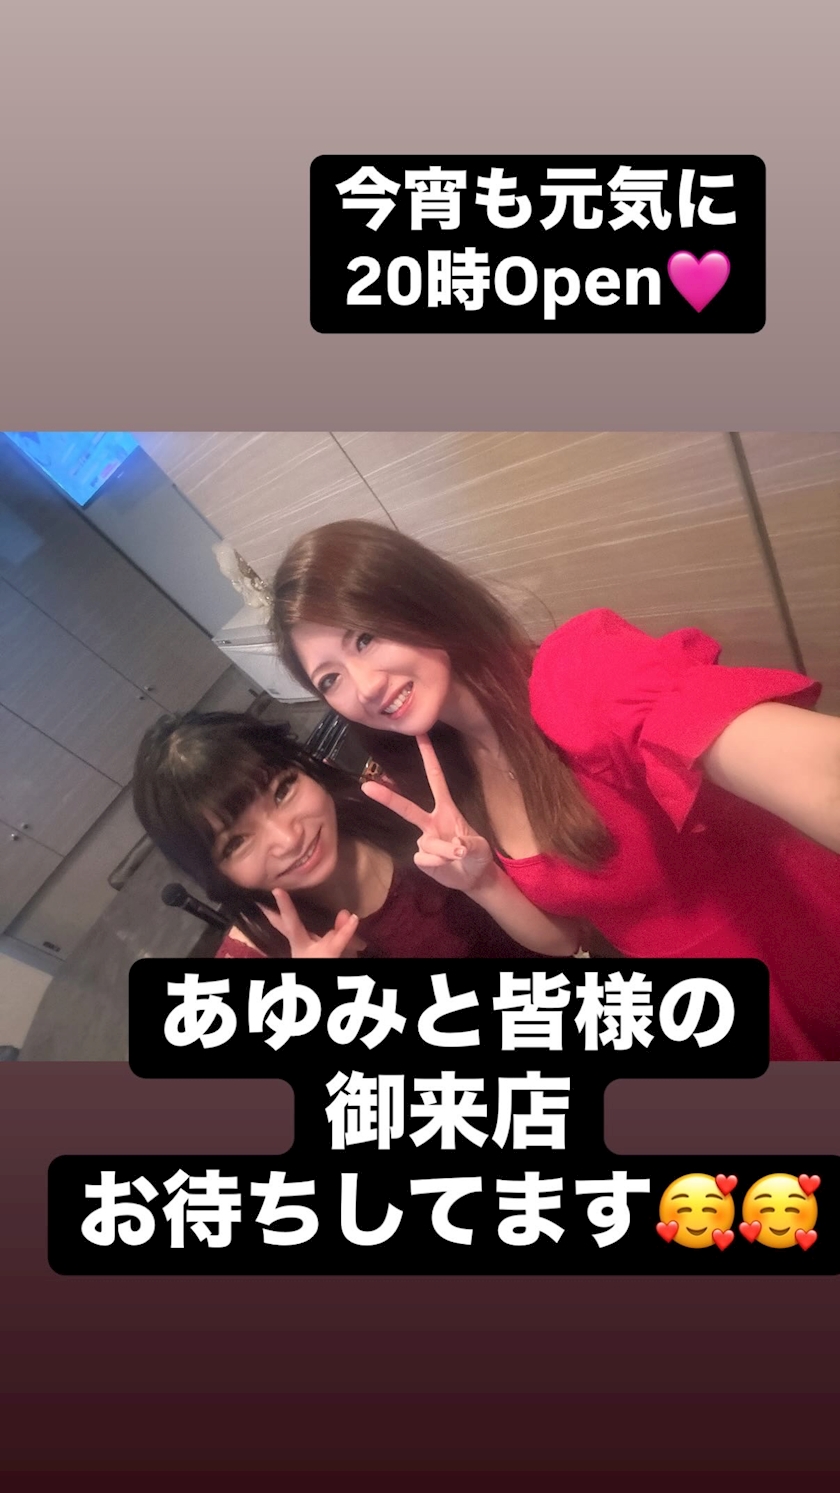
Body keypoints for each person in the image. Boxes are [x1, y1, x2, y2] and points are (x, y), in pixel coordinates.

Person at [270, 518, 840, 1060]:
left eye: (365, 638)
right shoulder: (445, 776)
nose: (364, 687)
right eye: (330, 679)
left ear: (417, 597)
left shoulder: (578, 672)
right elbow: (567, 938)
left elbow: (821, 771)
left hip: (804, 955)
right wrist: (481, 881)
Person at [131, 711, 585, 962]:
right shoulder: (255, 955)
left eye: (283, 790)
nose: (287, 838)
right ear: (216, 874)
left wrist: (486, 883)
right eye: (236, 842)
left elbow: (566, 945)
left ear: (309, 767)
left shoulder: (410, 809)